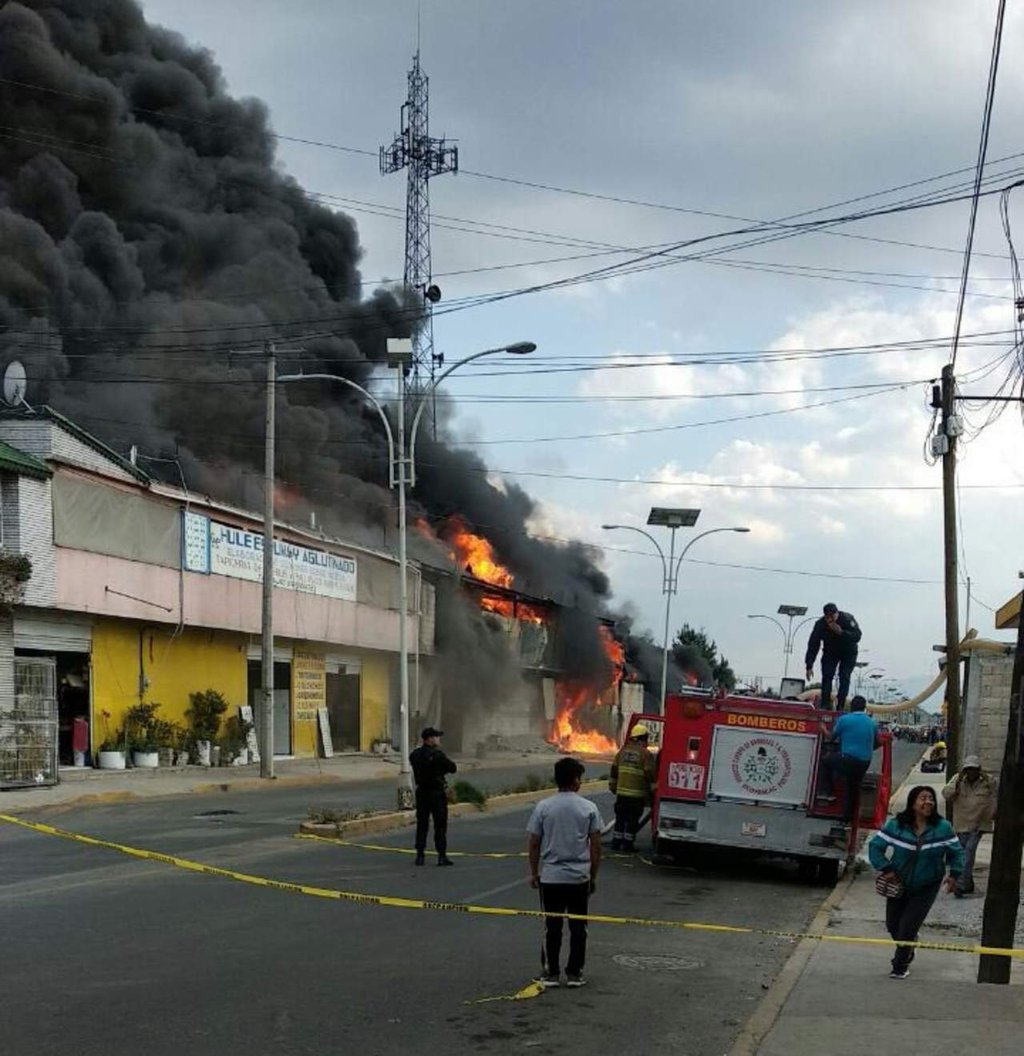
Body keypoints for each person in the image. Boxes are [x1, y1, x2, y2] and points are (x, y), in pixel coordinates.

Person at [868, 785, 964, 979]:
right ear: (912, 802)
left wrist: (954, 874)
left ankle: (900, 965)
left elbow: (957, 852)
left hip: (927, 885)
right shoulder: (897, 825)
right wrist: (886, 869)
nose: (928, 802)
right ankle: (909, 945)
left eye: (931, 798)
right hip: (899, 883)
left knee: (907, 927)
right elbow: (875, 846)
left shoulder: (943, 827)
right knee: (893, 925)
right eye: (923, 798)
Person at [526, 757, 603, 989]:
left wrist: (533, 872)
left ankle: (550, 973)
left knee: (552, 926)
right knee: (579, 927)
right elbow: (596, 846)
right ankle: (574, 973)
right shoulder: (589, 808)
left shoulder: (544, 807)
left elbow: (534, 843)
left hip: (551, 877)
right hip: (579, 877)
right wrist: (593, 876)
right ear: (576, 780)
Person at [941, 755, 997, 898]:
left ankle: (962, 885)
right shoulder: (958, 780)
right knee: (962, 855)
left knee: (968, 853)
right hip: (961, 824)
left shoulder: (988, 781)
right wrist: (957, 781)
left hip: (978, 824)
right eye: (968, 769)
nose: (971, 772)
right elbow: (946, 794)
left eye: (974, 769)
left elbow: (996, 793)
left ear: (979, 770)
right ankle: (968, 882)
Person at [820, 695, 877, 824]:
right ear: (864, 707)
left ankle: (828, 792)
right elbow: (877, 742)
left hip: (847, 759)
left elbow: (831, 738)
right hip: (864, 762)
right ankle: (847, 820)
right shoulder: (872, 722)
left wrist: (823, 729)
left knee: (826, 761)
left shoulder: (844, 719)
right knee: (852, 788)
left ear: (851, 707)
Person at [409, 727, 457, 866]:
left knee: (422, 824)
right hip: (436, 793)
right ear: (429, 739)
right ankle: (441, 856)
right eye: (436, 737)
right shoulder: (438, 755)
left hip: (422, 793)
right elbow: (452, 768)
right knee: (440, 825)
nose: (438, 739)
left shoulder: (415, 755)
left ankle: (420, 855)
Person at [608, 723, 657, 852]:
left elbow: (614, 770)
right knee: (632, 820)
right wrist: (653, 791)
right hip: (637, 795)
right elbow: (649, 774)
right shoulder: (645, 754)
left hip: (622, 793)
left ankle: (616, 843)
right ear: (642, 738)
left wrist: (613, 786)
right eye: (646, 738)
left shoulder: (622, 752)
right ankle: (628, 845)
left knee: (620, 818)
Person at [805, 602, 862, 711]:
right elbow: (813, 645)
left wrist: (841, 632)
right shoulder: (820, 625)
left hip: (848, 651)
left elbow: (857, 636)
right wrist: (809, 665)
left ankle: (841, 703)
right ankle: (826, 703)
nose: (830, 620)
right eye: (828, 617)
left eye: (833, 617)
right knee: (827, 675)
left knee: (844, 675)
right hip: (830, 652)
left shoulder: (847, 618)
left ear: (837, 613)